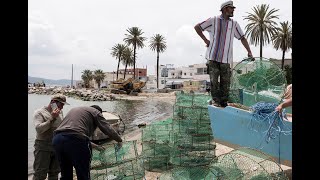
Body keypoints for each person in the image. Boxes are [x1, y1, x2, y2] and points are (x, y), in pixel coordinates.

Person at [194, 0, 253, 107]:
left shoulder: (234, 24)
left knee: (225, 83)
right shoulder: (213, 20)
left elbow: (242, 38)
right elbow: (197, 27)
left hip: (226, 59)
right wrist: (205, 40)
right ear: (225, 9)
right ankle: (216, 101)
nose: (233, 10)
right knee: (214, 81)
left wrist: (249, 51)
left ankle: (223, 102)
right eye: (232, 8)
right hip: (213, 58)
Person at [52, 105, 123, 180]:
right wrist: (119, 140)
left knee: (65, 173)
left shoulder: (75, 110)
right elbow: (107, 128)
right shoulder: (96, 112)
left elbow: (71, 134)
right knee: (83, 173)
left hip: (57, 140)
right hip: (75, 140)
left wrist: (97, 147)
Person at [33, 94, 69, 180]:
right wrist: (52, 118)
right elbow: (39, 129)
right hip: (43, 146)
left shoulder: (60, 113)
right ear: (53, 102)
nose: (62, 108)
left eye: (63, 105)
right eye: (61, 105)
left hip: (56, 146)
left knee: (54, 173)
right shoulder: (39, 112)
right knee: (40, 174)